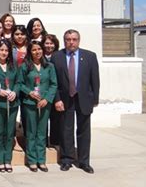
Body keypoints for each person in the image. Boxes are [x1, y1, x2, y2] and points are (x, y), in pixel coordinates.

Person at [51, 29, 100, 174]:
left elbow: (95, 80)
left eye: (74, 39)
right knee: (66, 130)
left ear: (79, 40)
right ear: (64, 40)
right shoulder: (56, 57)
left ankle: (84, 161)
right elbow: (54, 81)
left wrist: (95, 99)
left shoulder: (90, 56)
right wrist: (57, 100)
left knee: (84, 130)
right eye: (68, 39)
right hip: (65, 99)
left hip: (84, 99)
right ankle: (67, 159)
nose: (71, 42)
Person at [18, 41, 57, 172]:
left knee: (41, 132)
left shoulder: (49, 66)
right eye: (34, 50)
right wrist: (29, 92)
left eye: (39, 49)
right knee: (31, 132)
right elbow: (20, 84)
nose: (37, 52)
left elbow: (53, 84)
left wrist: (47, 99)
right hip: (30, 103)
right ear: (30, 52)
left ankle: (41, 160)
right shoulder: (25, 66)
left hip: (44, 104)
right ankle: (32, 160)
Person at [0, 39, 19, 173]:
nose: (4, 52)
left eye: (6, 50)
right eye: (1, 50)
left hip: (12, 104)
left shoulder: (13, 66)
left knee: (9, 133)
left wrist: (14, 91)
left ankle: (8, 159)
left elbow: (19, 82)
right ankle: (0, 159)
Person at [43, 34, 61, 146]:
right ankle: (43, 144)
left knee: (55, 120)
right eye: (46, 43)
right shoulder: (39, 56)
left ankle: (55, 143)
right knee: (43, 121)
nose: (49, 46)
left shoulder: (59, 56)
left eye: (51, 43)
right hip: (43, 92)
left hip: (56, 92)